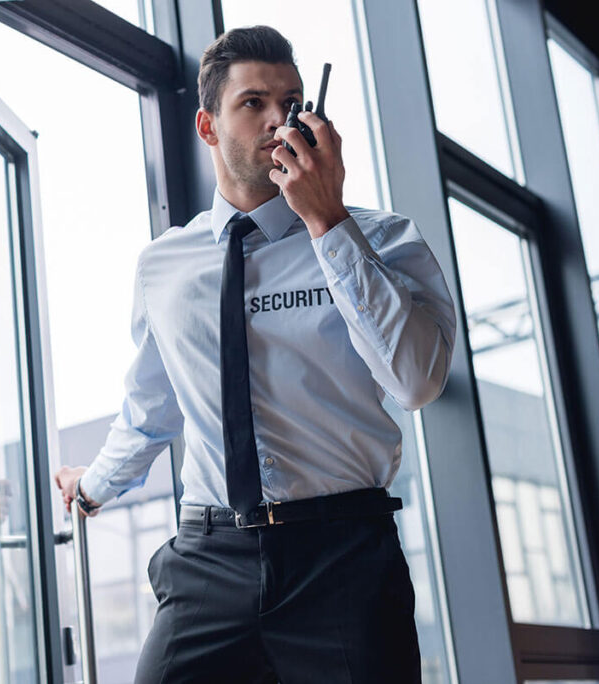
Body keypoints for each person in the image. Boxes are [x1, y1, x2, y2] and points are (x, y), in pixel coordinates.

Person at [53, 25, 455, 684]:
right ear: (208, 127)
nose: (280, 119)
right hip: (210, 559)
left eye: (292, 100)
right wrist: (91, 489)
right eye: (254, 102)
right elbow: (150, 410)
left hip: (343, 560)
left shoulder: (381, 239)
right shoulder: (164, 266)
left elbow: (416, 380)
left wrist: (327, 223)